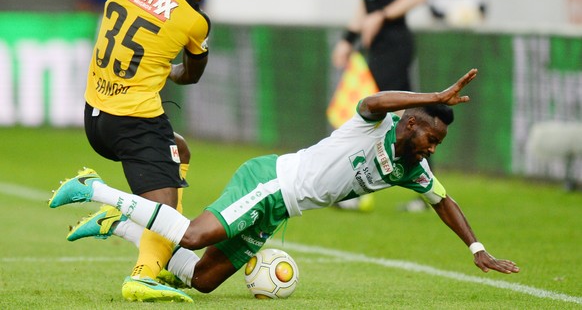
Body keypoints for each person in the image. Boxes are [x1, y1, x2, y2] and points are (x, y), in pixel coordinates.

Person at [50, 68, 520, 296]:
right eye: (431, 137)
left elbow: (444, 202)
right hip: (272, 180)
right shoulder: (375, 126)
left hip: (281, 208)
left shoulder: (410, 169)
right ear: (414, 122)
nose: (432, 149)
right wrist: (436, 95)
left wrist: (478, 250)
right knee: (193, 234)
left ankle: (118, 223)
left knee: (203, 279)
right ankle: (94, 189)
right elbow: (375, 99)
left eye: (437, 144)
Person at [79, 0, 255, 303]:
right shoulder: (194, 21)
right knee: (167, 212)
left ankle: (124, 226)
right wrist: (167, 69)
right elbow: (190, 76)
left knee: (180, 152)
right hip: (135, 122)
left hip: (95, 116)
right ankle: (141, 276)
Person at [331, 0, 427, 211]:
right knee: (401, 117)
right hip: (377, 47)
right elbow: (366, 1)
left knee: (388, 116)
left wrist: (382, 16)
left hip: (395, 43)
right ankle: (422, 190)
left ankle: (364, 191)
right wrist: (348, 39)